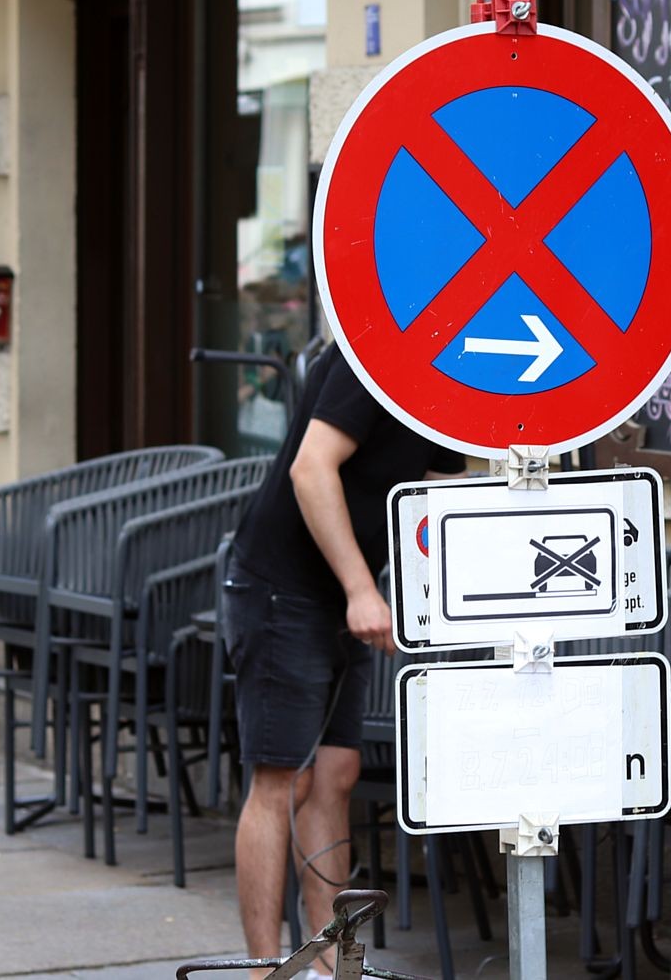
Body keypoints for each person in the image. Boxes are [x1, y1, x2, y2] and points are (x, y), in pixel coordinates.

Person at [224, 344, 465, 979]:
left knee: (335, 774)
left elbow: (434, 494)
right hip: (284, 583)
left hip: (348, 588)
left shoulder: (449, 375)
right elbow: (312, 468)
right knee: (282, 780)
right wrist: (363, 589)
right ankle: (264, 971)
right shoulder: (373, 353)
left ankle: (328, 962)